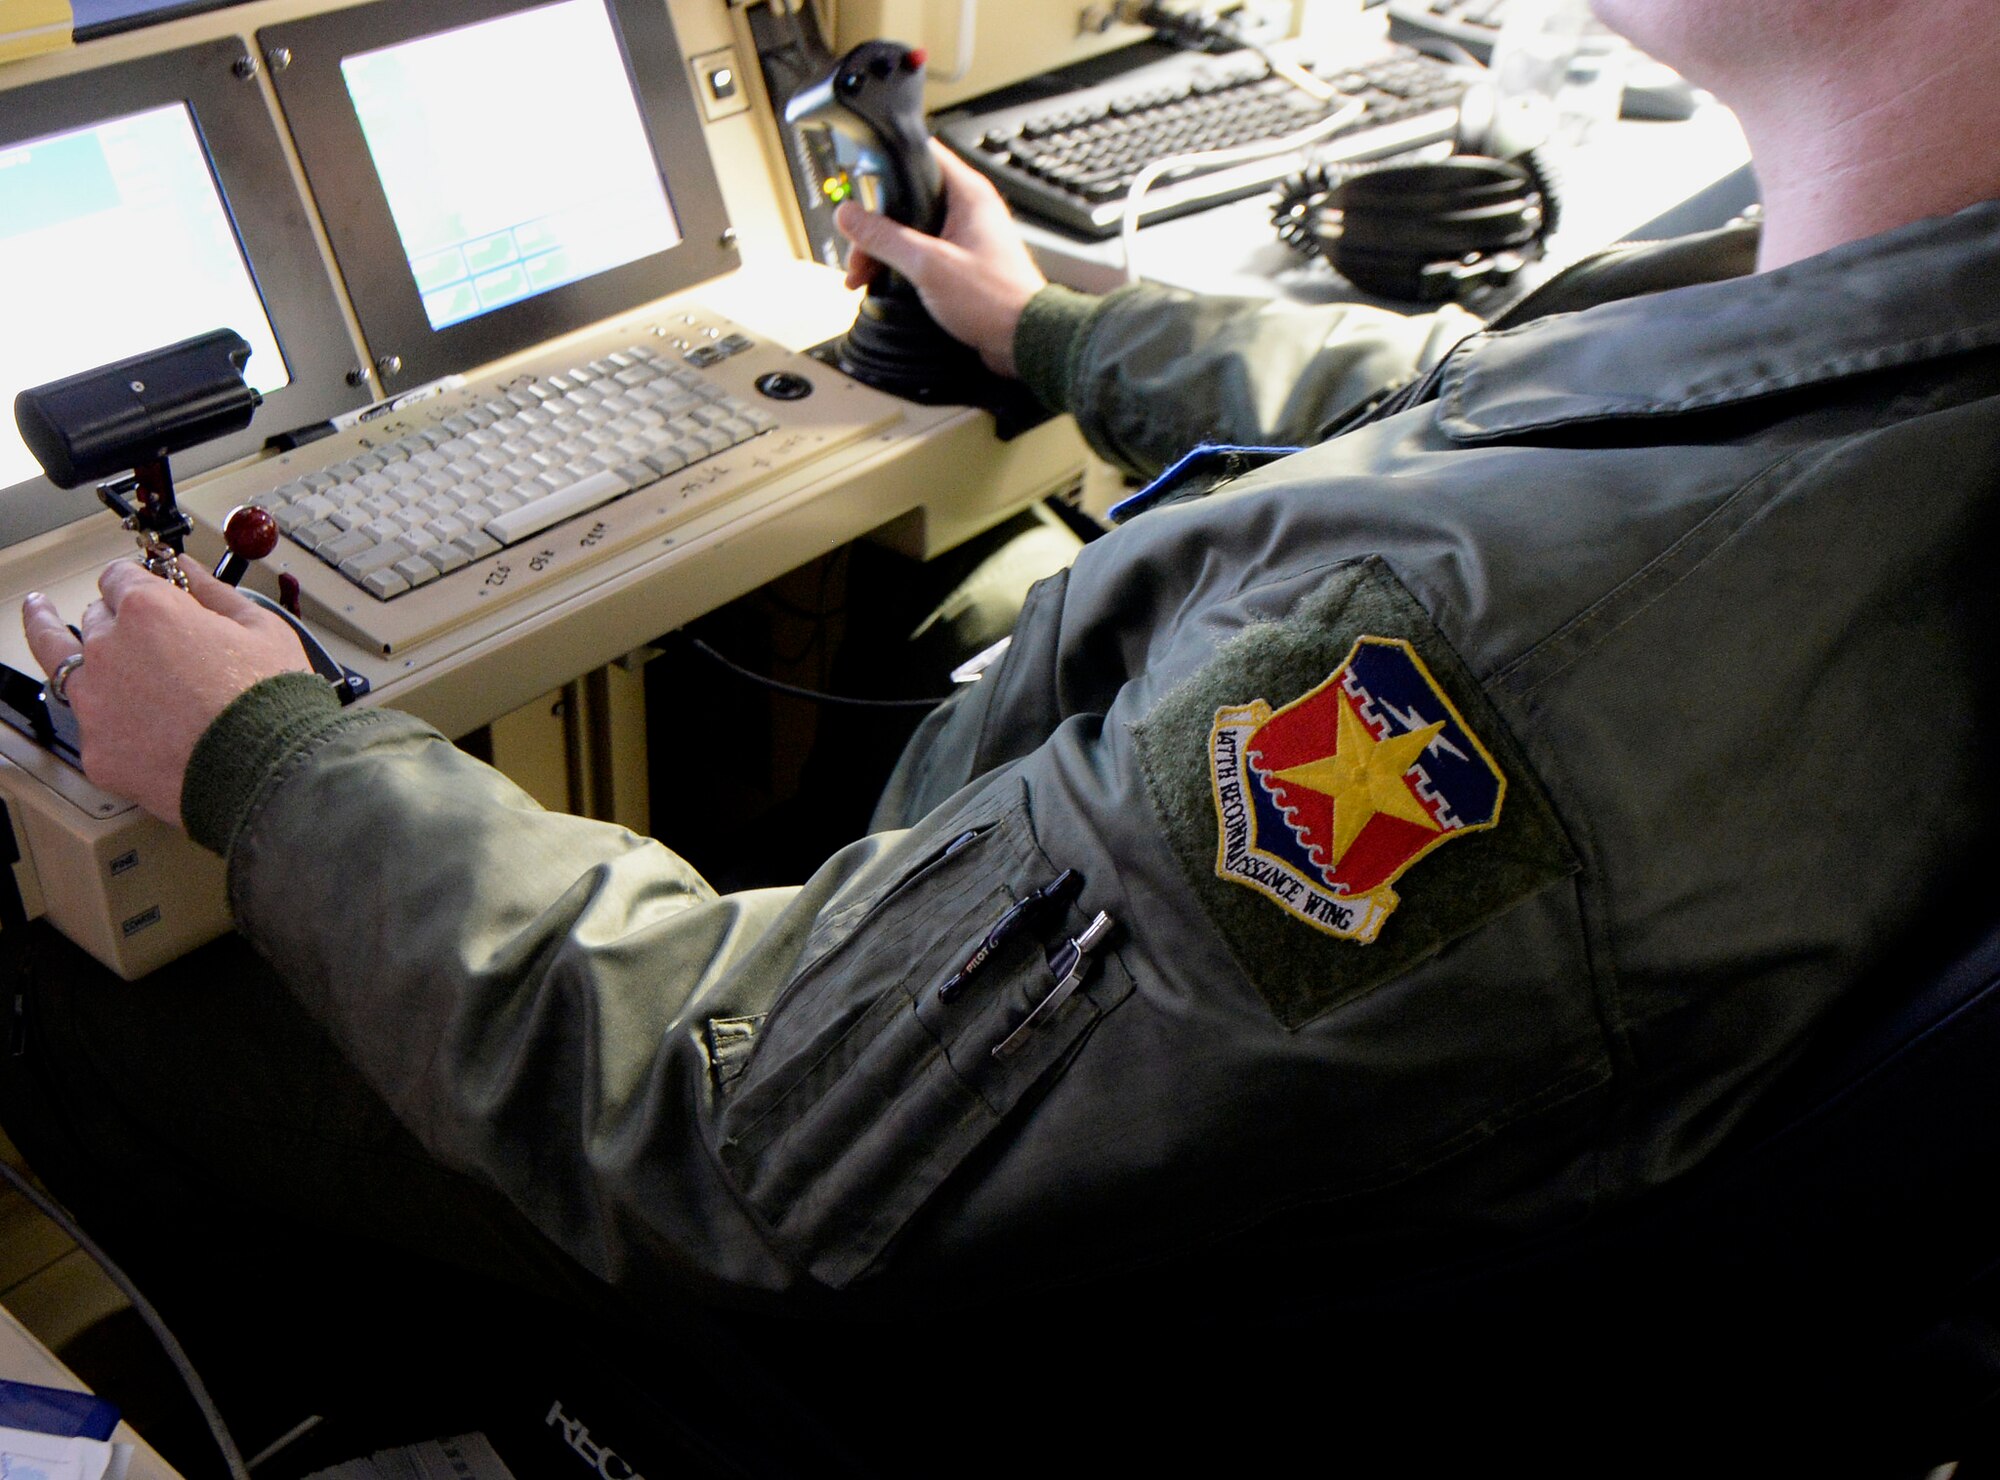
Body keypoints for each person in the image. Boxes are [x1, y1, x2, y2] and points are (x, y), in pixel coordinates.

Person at [10, 0, 2000, 1447]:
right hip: (1335, 1151)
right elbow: (1485, 408)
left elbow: (719, 1122)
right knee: (900, 603)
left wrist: (266, 758)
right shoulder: (1875, 364)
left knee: (95, 951)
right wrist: (1049, 323)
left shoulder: (1499, 676)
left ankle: (320, 1397)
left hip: (939, 1302)